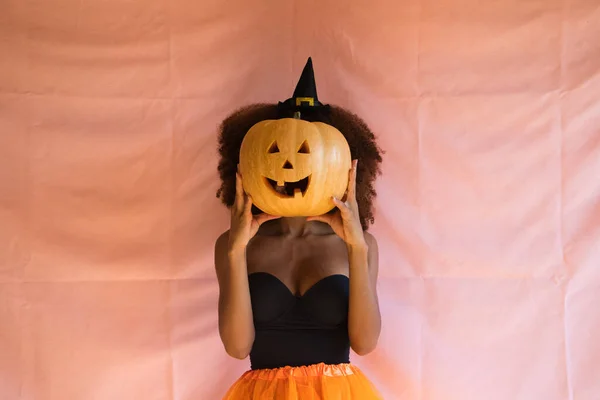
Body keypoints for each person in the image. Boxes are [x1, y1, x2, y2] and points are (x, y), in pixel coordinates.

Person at [214, 58, 384, 399]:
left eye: (308, 152)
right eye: (275, 151)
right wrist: (236, 249)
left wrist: (355, 247)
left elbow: (365, 344)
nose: (289, 165)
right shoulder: (234, 244)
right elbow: (237, 346)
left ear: (340, 167)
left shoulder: (359, 243)